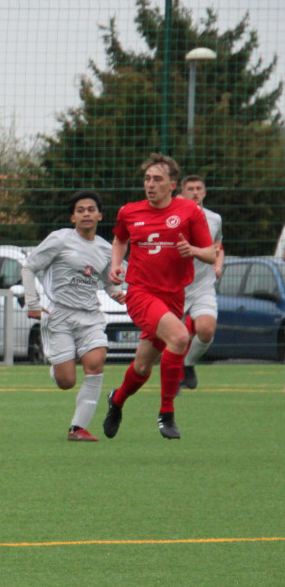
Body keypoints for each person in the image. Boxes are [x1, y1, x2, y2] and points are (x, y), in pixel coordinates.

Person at [103, 154, 216, 440]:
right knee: (179, 337)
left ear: (172, 185)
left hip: (174, 297)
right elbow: (119, 239)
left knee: (142, 366)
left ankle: (116, 400)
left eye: (157, 179)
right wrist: (117, 265)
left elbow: (210, 253)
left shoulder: (190, 211)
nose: (150, 185)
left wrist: (192, 250)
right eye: (147, 179)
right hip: (141, 292)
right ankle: (166, 412)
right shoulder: (129, 211)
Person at [21, 191, 126, 442]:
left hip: (90, 316)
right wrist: (32, 303)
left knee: (96, 362)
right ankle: (58, 370)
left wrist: (118, 294)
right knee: (67, 381)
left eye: (91, 209)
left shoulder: (105, 248)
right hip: (61, 316)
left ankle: (77, 428)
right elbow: (29, 267)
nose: (86, 214)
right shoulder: (60, 239)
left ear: (100, 215)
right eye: (80, 210)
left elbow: (108, 283)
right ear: (73, 217)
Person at [177, 175, 224, 390]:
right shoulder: (173, 217)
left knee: (206, 330)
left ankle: (188, 365)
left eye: (199, 188)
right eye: (190, 189)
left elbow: (218, 246)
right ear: (182, 193)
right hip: (174, 286)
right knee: (168, 340)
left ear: (204, 192)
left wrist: (218, 265)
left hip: (202, 286)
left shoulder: (214, 219)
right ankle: (169, 378)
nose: (195, 192)